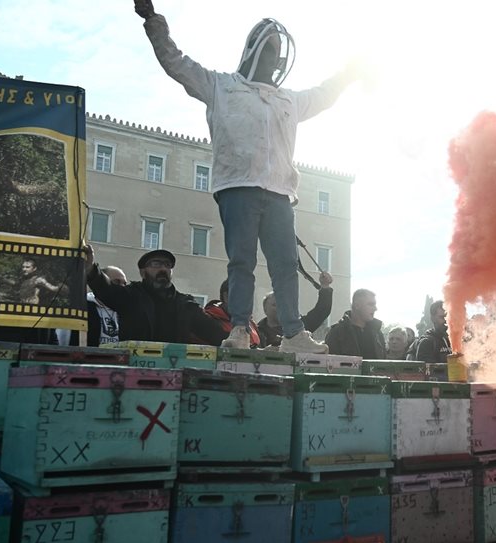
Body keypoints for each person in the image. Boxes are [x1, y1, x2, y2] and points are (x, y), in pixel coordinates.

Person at [134, 0, 361, 354]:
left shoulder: (288, 100)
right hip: (237, 187)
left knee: (286, 264)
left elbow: (324, 95)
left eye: (278, 54)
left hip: (280, 192)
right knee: (242, 261)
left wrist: (349, 73)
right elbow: (175, 62)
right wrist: (152, 20)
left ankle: (293, 333)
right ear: (252, 51)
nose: (275, 60)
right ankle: (239, 326)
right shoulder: (220, 86)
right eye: (269, 51)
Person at [83, 244, 228, 344]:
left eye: (167, 265)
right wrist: (91, 269)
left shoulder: (185, 305)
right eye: (156, 264)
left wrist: (237, 341)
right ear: (142, 272)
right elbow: (107, 289)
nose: (163, 269)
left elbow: (214, 333)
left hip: (174, 375)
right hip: (135, 372)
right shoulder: (131, 296)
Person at [257, 271, 333, 348]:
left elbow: (321, 311)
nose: (280, 308)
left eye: (283, 305)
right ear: (265, 309)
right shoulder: (256, 332)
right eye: (274, 305)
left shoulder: (298, 327)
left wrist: (325, 286)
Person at [325, 289, 386, 359]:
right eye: (370, 304)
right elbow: (329, 364)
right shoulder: (337, 333)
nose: (375, 308)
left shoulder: (377, 333)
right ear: (357, 305)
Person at [202, 278, 261, 347]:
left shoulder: (251, 323)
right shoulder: (209, 321)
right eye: (243, 297)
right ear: (227, 297)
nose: (248, 303)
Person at [86, 265, 127, 346]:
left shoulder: (127, 309)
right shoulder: (84, 306)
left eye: (124, 283)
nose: (122, 287)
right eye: (116, 281)